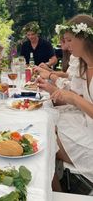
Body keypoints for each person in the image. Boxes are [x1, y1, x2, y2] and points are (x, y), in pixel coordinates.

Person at [41, 14, 93, 186]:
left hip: (89, 133)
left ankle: (56, 192)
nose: (66, 46)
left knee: (45, 143)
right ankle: (55, 191)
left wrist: (73, 98)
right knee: (45, 128)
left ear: (84, 38)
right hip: (85, 124)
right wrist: (54, 90)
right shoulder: (85, 65)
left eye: (70, 40)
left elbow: (78, 99)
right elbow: (78, 96)